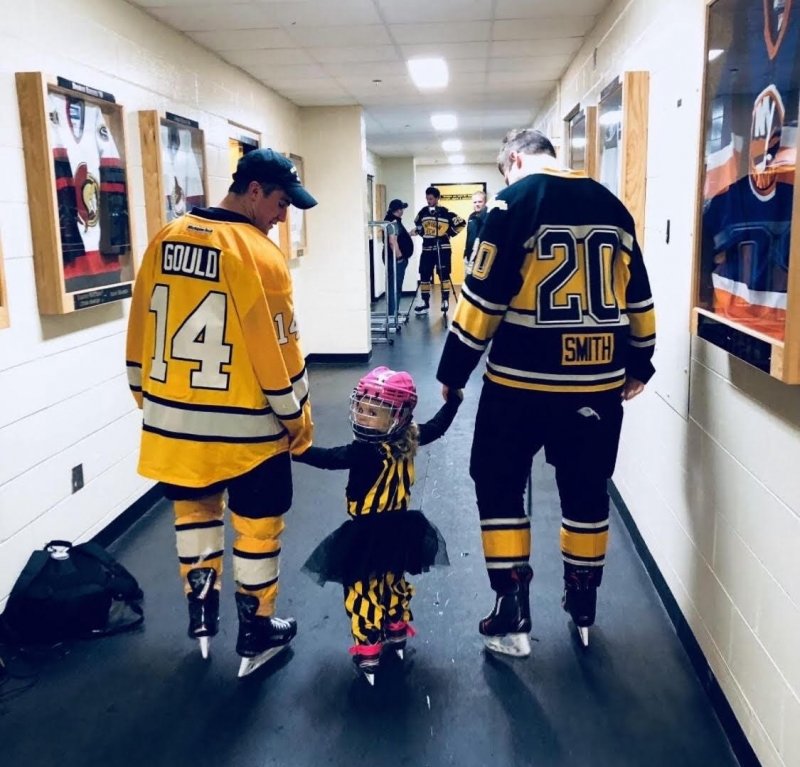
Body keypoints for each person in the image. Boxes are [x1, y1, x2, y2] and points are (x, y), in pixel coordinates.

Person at [436, 128, 656, 656]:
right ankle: (583, 608)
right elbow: (640, 298)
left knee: (498, 481)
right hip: (598, 383)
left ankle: (512, 611)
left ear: (513, 159)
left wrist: (454, 368)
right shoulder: (613, 206)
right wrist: (640, 362)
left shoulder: (514, 202)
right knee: (587, 490)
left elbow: (483, 298)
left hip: (521, 384)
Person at [125, 148, 317, 677]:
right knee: (257, 526)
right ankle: (256, 631)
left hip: (173, 426)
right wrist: (297, 421)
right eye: (281, 203)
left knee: (194, 512)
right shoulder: (259, 253)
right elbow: (279, 351)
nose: (284, 216)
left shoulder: (164, 237)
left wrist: (146, 396)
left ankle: (202, 615)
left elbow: (141, 323)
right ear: (254, 191)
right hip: (247, 429)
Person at [294, 366, 461, 684]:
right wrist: (453, 402)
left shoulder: (365, 452)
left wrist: (297, 451)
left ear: (398, 417)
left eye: (374, 412)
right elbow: (437, 427)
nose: (364, 416)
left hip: (365, 535)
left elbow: (330, 458)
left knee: (362, 590)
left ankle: (368, 647)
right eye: (361, 408)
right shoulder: (409, 438)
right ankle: (396, 632)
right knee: (391, 581)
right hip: (400, 531)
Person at [413, 186, 465, 316]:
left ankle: (445, 301)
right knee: (424, 274)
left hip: (443, 248)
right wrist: (423, 233)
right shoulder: (423, 212)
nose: (428, 201)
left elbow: (462, 223)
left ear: (437, 198)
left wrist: (449, 234)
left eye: (431, 198)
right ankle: (425, 303)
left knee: (443, 274)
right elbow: (418, 225)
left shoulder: (445, 212)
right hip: (427, 249)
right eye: (427, 198)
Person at [383, 199, 414, 318]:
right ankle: (392, 314)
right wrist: (399, 257)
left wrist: (409, 234)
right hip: (396, 260)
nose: (403, 211)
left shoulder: (393, 221)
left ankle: (394, 312)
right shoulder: (392, 222)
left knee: (396, 285)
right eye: (402, 209)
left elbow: (397, 237)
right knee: (395, 286)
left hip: (395, 259)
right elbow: (392, 242)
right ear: (399, 210)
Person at [464, 189, 488, 266]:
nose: (477, 204)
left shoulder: (489, 217)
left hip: (482, 259)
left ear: (485, 202)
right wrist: (465, 253)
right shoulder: (471, 217)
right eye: (475, 202)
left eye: (480, 201)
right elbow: (469, 236)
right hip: (469, 257)